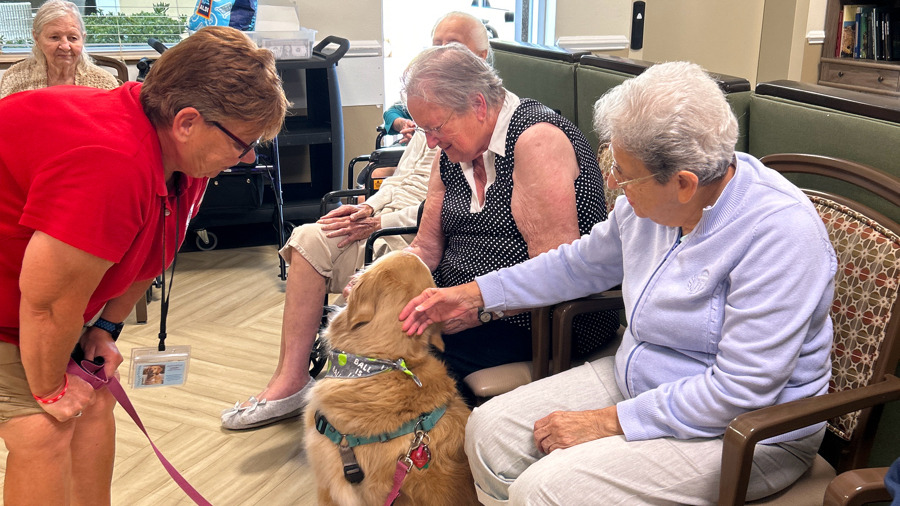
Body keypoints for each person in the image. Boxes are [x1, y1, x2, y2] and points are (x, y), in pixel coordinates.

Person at [400, 61, 837, 504]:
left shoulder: (780, 234)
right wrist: (474, 295)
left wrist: (608, 421)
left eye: (624, 173)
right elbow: (576, 265)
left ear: (684, 183)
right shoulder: (652, 204)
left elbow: (740, 390)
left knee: (546, 489)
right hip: (642, 376)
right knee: (486, 432)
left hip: (747, 432)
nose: (611, 182)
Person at [0, 26, 287, 505]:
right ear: (188, 121)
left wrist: (105, 328)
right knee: (43, 428)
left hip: (42, 289)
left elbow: (151, 252)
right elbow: (47, 305)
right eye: (245, 143)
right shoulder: (112, 160)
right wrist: (50, 389)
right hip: (23, 296)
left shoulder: (184, 154)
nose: (249, 156)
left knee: (94, 398)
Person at [220, 10, 494, 430]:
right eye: (436, 45)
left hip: (412, 237)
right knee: (310, 238)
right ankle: (290, 379)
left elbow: (446, 212)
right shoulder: (433, 106)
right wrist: (369, 206)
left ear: (482, 56)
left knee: (344, 247)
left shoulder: (472, 117)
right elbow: (401, 180)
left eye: (452, 47)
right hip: (388, 213)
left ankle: (358, 388)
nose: (441, 55)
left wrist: (380, 222)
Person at [397, 43, 618, 406]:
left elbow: (553, 274)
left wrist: (477, 307)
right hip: (464, 305)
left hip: (541, 321)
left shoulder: (535, 140)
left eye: (435, 127)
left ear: (479, 106)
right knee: (374, 342)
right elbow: (425, 248)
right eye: (425, 130)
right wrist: (377, 280)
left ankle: (424, 457)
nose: (431, 141)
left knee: (409, 368)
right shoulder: (452, 152)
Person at [381, 11, 491, 145]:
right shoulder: (428, 89)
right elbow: (392, 112)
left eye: (453, 44)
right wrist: (405, 124)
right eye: (437, 44)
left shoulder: (487, 106)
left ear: (481, 55)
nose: (442, 51)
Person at [0, 0, 119, 99]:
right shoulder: (14, 80)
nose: (65, 46)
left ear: (82, 39)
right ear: (36, 38)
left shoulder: (105, 84)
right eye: (54, 37)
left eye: (73, 38)